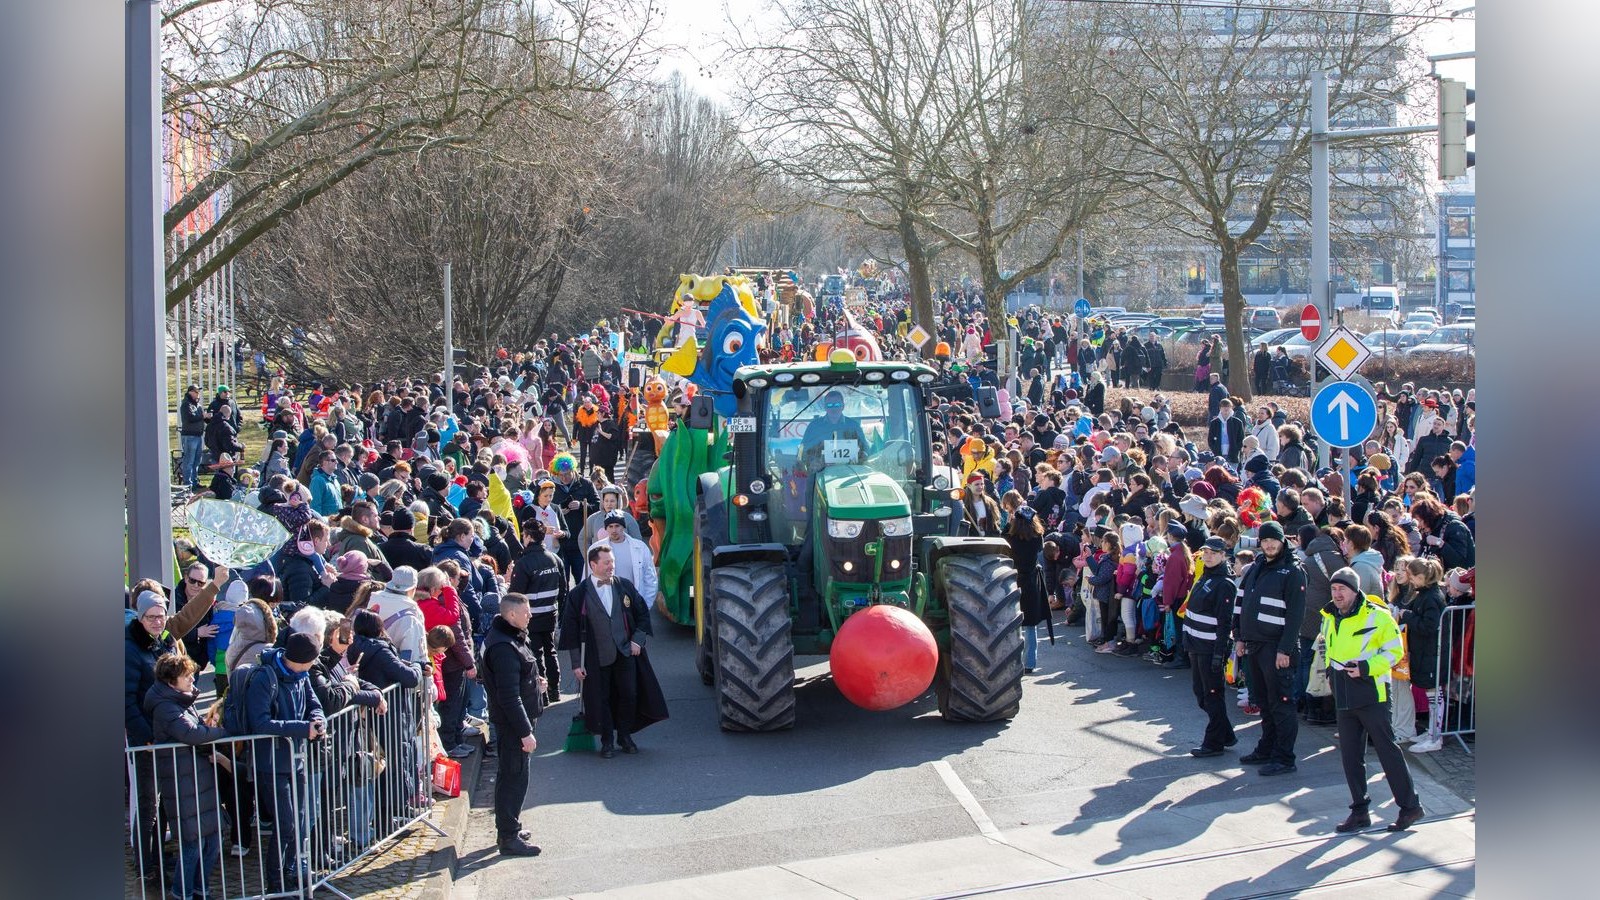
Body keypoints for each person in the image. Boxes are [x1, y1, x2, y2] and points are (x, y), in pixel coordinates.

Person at [1321, 568, 1425, 834]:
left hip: (1372, 693)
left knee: (1387, 751)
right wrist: (1330, 674)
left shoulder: (1378, 617)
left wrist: (1367, 667)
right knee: (1350, 756)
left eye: (1342, 589)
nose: (1337, 594)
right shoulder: (1330, 616)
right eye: (1334, 589)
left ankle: (1410, 806)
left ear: (1355, 590)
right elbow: (1328, 648)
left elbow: (1395, 651)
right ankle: (1359, 811)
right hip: (1344, 692)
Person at [239, 632, 327, 893]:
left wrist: (317, 719)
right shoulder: (265, 679)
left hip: (296, 760)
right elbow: (261, 722)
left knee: (298, 820)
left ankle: (291, 874)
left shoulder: (302, 676)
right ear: (302, 660)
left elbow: (313, 702)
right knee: (285, 824)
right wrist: (302, 729)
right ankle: (276, 882)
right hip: (271, 763)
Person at [144, 653, 230, 899]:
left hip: (197, 778)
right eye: (187, 676)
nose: (193, 679)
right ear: (172, 681)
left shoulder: (181, 700)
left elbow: (196, 731)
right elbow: (191, 734)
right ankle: (182, 893)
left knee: (212, 840)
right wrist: (223, 733)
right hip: (182, 781)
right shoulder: (165, 705)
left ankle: (199, 890)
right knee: (193, 844)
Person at [560, 544, 656, 758]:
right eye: (607, 562)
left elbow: (642, 615)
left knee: (629, 695)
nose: (612, 566)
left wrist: (637, 641)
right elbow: (571, 632)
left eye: (612, 561)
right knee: (601, 698)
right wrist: (576, 664)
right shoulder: (579, 595)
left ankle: (624, 735)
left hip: (625, 652)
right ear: (593, 565)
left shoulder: (625, 587)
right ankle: (607, 741)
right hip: (596, 656)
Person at [1234, 521, 1306, 776]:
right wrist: (1239, 637)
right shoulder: (1256, 568)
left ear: (1282, 541)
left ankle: (1285, 757)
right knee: (1263, 701)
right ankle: (1267, 748)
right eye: (1264, 540)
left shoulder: (1293, 571)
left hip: (1277, 648)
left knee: (1281, 703)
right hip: (1254, 645)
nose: (1269, 544)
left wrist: (1285, 650)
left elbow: (1296, 615)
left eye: (1273, 540)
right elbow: (1241, 604)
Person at [478, 592, 548, 856]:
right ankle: (508, 837)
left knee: (512, 775)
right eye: (526, 612)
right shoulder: (504, 647)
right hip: (513, 725)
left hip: (514, 720)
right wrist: (525, 732)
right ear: (510, 615)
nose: (530, 615)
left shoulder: (510, 638)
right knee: (514, 778)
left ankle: (510, 826)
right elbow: (508, 696)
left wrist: (535, 683)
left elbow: (516, 679)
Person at [1184, 538, 1237, 757]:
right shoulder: (1205, 576)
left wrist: (1219, 653)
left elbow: (1225, 622)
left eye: (1214, 553)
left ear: (1224, 555)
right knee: (1201, 694)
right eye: (1206, 552)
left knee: (1213, 695)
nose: (1208, 556)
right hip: (1196, 645)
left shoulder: (1224, 583)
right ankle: (1225, 734)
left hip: (1209, 648)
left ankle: (1213, 743)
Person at [508, 518, 567, 704]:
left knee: (535, 653)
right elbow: (563, 590)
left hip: (530, 617)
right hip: (551, 614)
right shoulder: (555, 559)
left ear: (529, 537)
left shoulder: (524, 563)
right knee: (550, 651)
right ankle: (555, 689)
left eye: (524, 534)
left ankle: (542, 694)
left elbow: (516, 594)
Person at [1008, 506, 1050, 673]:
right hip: (1031, 581)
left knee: (1012, 623)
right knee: (1031, 625)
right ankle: (1030, 662)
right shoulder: (1037, 537)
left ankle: (1013, 660)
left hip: (1013, 579)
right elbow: (1039, 550)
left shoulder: (1010, 537)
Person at [591, 510, 660, 609]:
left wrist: (646, 605)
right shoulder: (596, 549)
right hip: (607, 604)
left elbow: (650, 578)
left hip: (634, 603)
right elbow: (589, 578)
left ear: (623, 527)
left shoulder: (640, 548)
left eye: (617, 526)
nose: (614, 530)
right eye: (610, 526)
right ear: (606, 528)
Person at [801, 389, 869, 466]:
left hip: (849, 472)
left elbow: (865, 449)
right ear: (825, 407)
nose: (833, 409)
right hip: (819, 472)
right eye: (829, 405)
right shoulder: (814, 426)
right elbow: (802, 451)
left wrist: (863, 455)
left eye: (837, 405)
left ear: (843, 406)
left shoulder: (854, 426)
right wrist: (817, 460)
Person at [179, 384, 207, 489]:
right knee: (189, 460)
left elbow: (199, 418)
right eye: (196, 391)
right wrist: (202, 416)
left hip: (198, 435)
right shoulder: (186, 404)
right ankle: (188, 483)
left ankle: (195, 481)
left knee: (196, 461)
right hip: (190, 436)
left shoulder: (197, 405)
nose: (198, 393)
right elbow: (190, 418)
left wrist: (206, 417)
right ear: (190, 392)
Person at [1207, 399, 1245, 466]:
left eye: (1228, 406)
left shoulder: (1237, 422)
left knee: (1232, 475)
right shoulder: (1214, 423)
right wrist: (1215, 450)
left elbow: (1241, 439)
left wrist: (1236, 449)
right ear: (1220, 408)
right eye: (1223, 406)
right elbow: (1210, 439)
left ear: (1231, 408)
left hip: (1233, 456)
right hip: (1218, 455)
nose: (1226, 409)